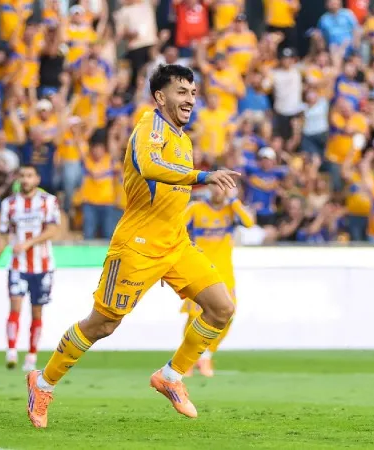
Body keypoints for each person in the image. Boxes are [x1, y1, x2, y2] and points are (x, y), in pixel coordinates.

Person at [24, 64, 241, 428]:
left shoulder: (184, 139)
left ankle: (171, 376)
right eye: (181, 91)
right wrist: (202, 176)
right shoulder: (149, 127)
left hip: (176, 244)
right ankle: (42, 383)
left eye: (192, 92)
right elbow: (150, 166)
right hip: (137, 246)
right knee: (103, 324)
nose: (190, 99)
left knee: (222, 308)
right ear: (160, 97)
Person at [0, 165, 61, 371]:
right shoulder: (9, 204)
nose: (25, 180)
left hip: (43, 266)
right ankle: (11, 351)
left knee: (37, 312)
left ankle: (32, 355)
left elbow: (53, 230)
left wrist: (28, 243)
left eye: (29, 176)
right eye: (22, 176)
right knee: (15, 307)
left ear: (37, 179)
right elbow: (3, 236)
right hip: (18, 266)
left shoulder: (48, 201)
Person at [178, 184, 255, 377]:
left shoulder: (231, 209)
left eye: (223, 187)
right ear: (210, 188)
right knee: (194, 317)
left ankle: (206, 355)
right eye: (216, 186)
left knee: (228, 315)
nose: (219, 190)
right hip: (200, 270)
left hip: (224, 274)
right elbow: (176, 227)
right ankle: (186, 360)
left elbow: (249, 223)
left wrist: (234, 200)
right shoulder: (196, 208)